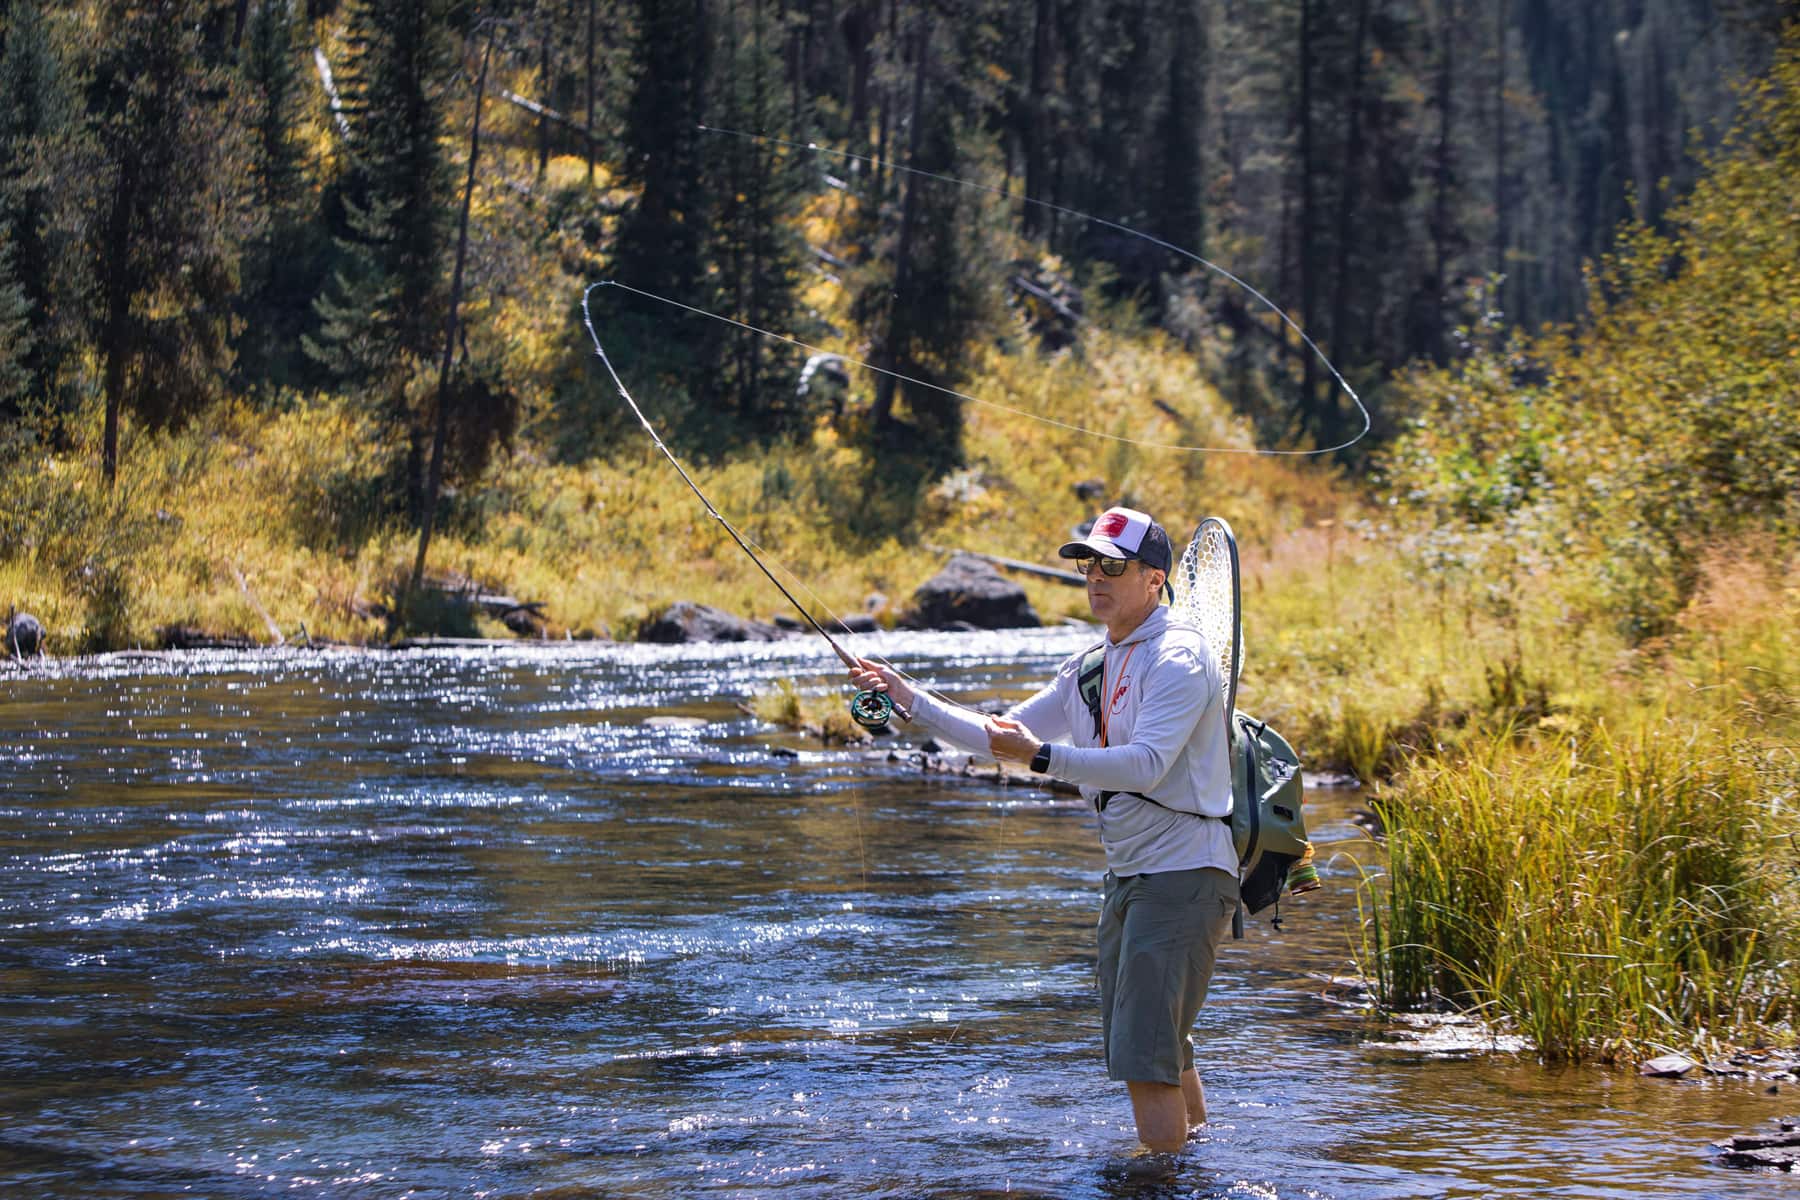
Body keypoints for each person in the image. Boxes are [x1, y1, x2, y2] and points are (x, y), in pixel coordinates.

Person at [850, 506, 1238, 1156]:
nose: (1096, 578)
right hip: (1132, 878)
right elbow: (997, 736)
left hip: (1185, 874)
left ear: (1155, 579)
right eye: (1089, 564)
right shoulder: (1090, 666)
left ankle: (1164, 1184)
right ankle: (1196, 1157)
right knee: (1158, 1039)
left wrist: (1041, 757)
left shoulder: (1180, 656)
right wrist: (904, 695)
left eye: (1114, 565)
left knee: (1145, 1054)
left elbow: (1145, 765)